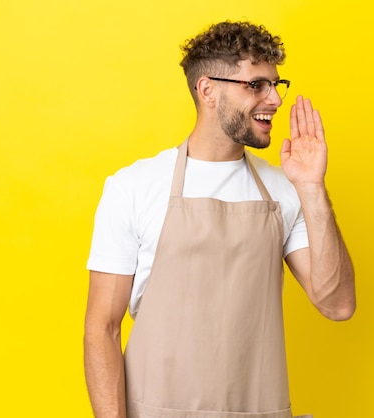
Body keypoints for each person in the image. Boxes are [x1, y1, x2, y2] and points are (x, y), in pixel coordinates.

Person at [84, 20, 356, 418]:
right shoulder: (133, 187)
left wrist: (313, 189)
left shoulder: (285, 190)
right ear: (207, 90)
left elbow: (337, 304)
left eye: (275, 84)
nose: (275, 100)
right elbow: (102, 329)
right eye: (255, 85)